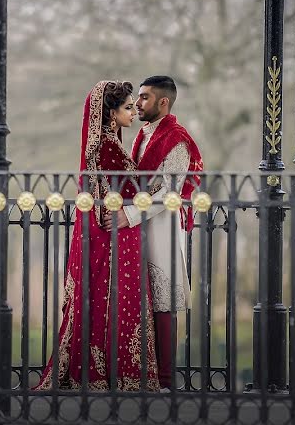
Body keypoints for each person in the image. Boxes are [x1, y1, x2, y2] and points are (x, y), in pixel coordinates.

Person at [36, 81, 160, 391]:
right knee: (114, 302)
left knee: (111, 302)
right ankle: (114, 374)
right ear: (110, 114)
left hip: (119, 233)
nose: (134, 112)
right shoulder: (106, 146)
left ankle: (113, 372)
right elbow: (133, 191)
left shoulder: (108, 144)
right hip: (116, 234)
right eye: (128, 108)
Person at [103, 75, 203, 392]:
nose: (138, 103)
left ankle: (165, 382)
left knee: (163, 300)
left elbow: (169, 193)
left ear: (163, 102)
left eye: (144, 98)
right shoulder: (143, 134)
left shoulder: (177, 139)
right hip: (134, 228)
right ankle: (136, 375)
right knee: (138, 300)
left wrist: (128, 215)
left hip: (160, 227)